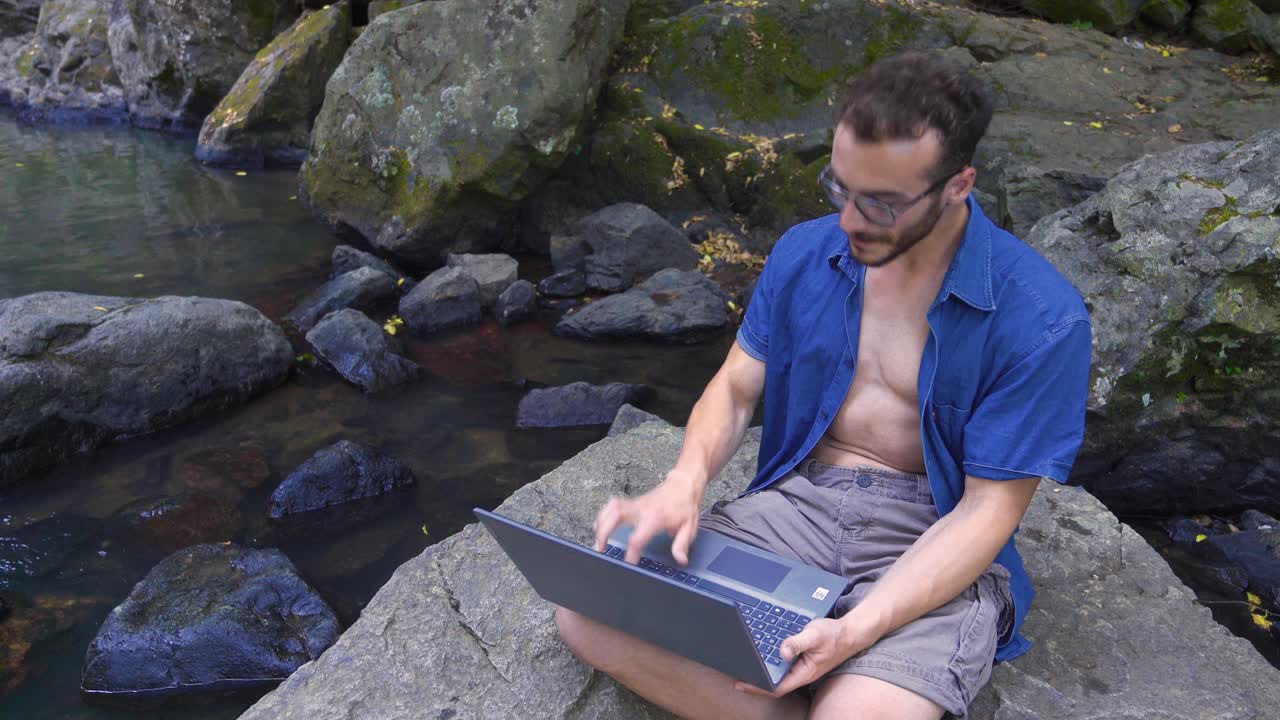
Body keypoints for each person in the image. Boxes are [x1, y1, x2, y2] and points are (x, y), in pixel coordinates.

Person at [555, 50, 1092, 720]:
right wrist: (684, 483)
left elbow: (986, 512)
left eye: (882, 204)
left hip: (933, 540)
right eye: (840, 188)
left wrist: (855, 631)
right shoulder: (805, 253)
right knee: (588, 610)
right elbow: (737, 387)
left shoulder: (1041, 317)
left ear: (959, 185)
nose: (850, 222)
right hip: (795, 509)